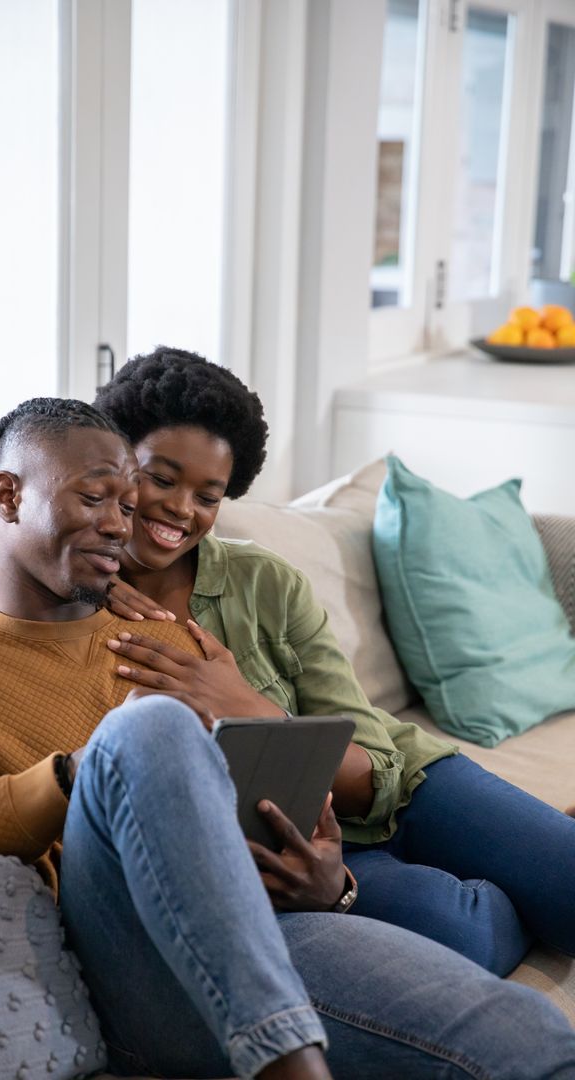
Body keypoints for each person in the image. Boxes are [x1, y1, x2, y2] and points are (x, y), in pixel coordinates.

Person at [0, 397, 575, 1079]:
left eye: (127, 507)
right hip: (113, 957)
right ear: (9, 497)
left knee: (527, 1036)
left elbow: (251, 819)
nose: (118, 525)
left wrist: (330, 878)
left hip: (262, 929)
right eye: (94, 497)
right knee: (150, 727)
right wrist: (80, 773)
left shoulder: (170, 646)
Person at [95, 346, 575, 978]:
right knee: (465, 937)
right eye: (162, 479)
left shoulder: (264, 582)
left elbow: (376, 768)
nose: (182, 510)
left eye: (208, 495)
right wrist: (335, 889)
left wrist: (247, 709)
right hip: (302, 851)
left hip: (411, 789)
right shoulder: (74, 610)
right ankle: (521, 875)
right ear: (116, 464)